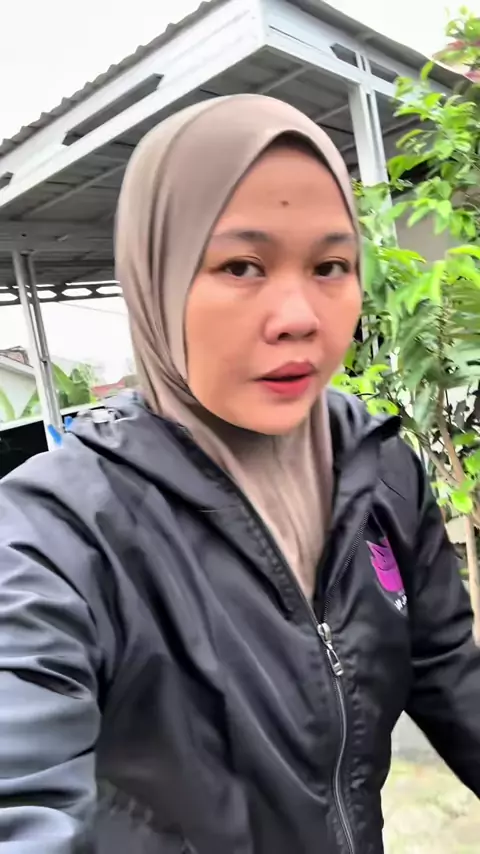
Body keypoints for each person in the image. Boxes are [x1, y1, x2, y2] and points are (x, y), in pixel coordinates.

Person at [0, 94, 479, 854]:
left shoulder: (378, 468)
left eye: (330, 266)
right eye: (241, 266)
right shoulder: (56, 535)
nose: (299, 316)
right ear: (155, 278)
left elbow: (452, 673)